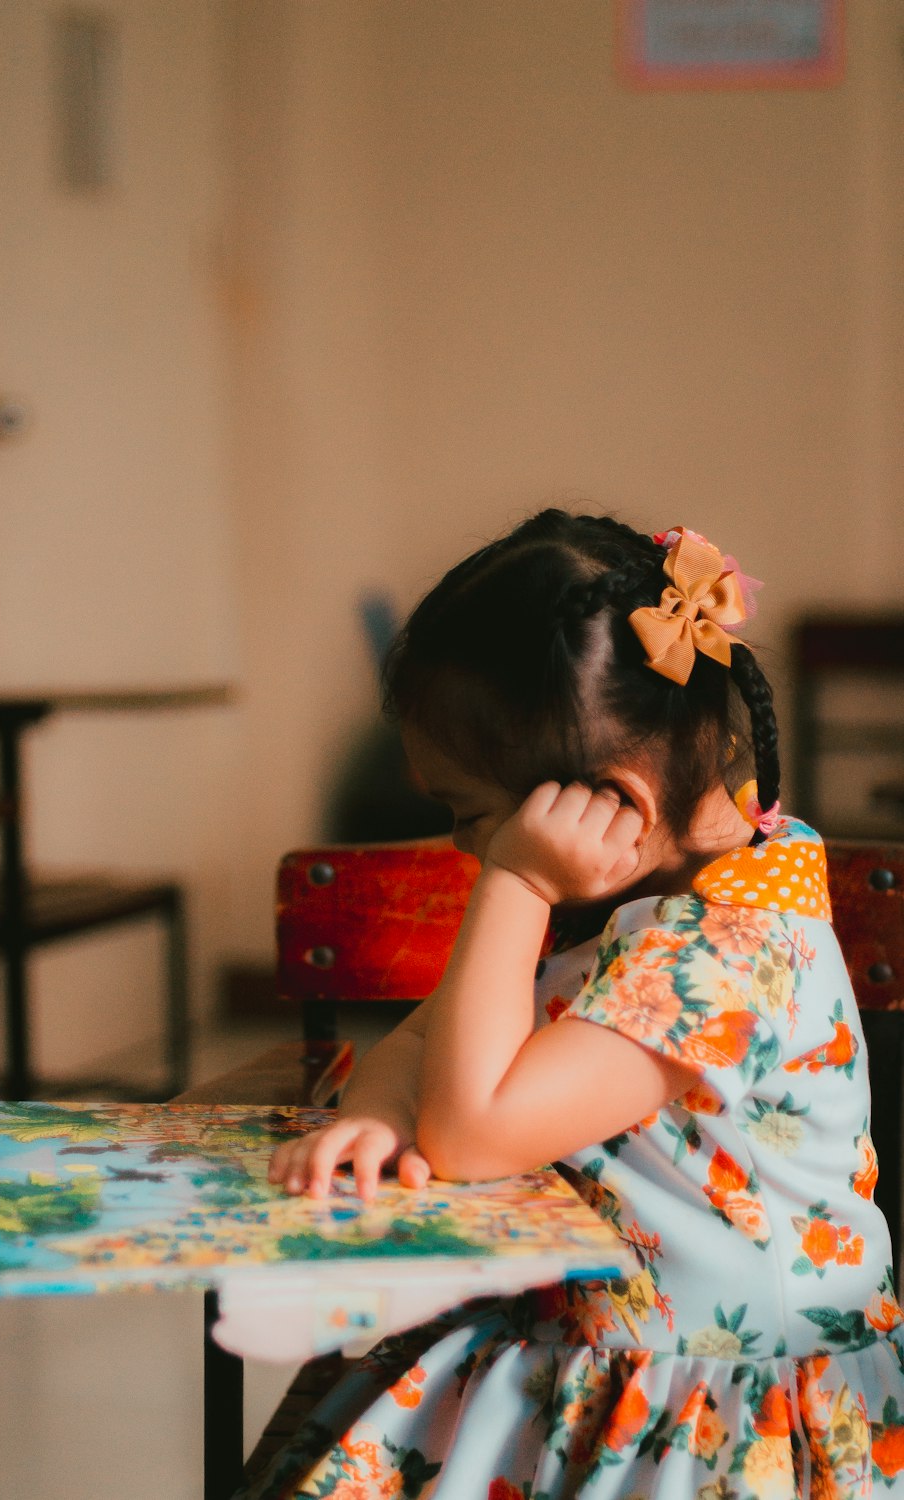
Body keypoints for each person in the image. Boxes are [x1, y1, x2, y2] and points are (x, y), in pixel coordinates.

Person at [248, 510, 904, 1499]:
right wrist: (379, 1109)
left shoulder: (721, 957)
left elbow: (470, 1134)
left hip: (712, 1420)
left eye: (471, 818)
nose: (467, 852)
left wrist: (513, 883)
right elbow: (429, 1032)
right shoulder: (656, 890)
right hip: (588, 1353)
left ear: (611, 808)